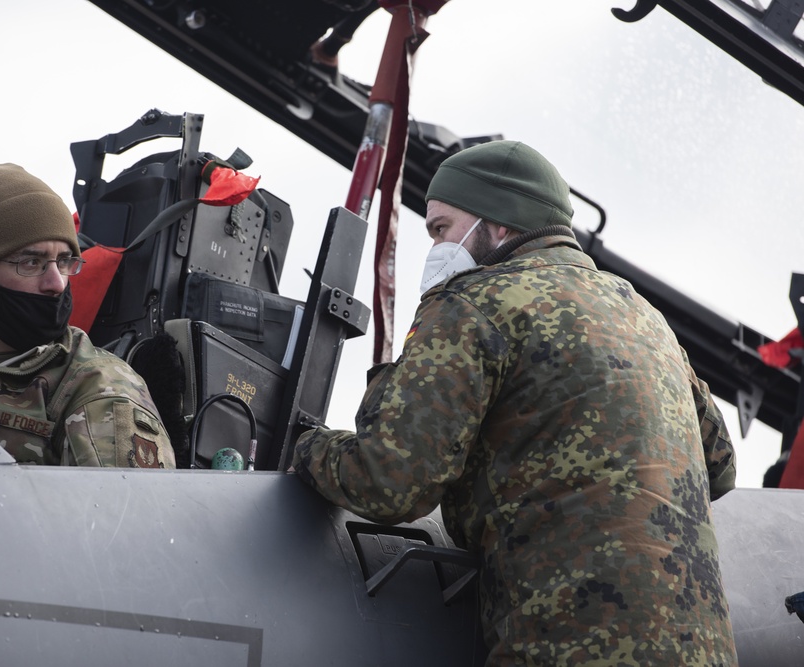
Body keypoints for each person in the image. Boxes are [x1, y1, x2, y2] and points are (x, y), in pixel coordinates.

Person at [293, 141, 737, 664]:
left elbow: (389, 482)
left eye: (441, 228)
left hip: (570, 647)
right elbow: (721, 467)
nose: (436, 246)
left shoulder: (473, 305)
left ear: (498, 224)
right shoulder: (642, 316)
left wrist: (307, 446)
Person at [0, 162, 176, 468]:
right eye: (30, 262)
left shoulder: (97, 387)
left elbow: (128, 513)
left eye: (65, 262)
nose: (56, 283)